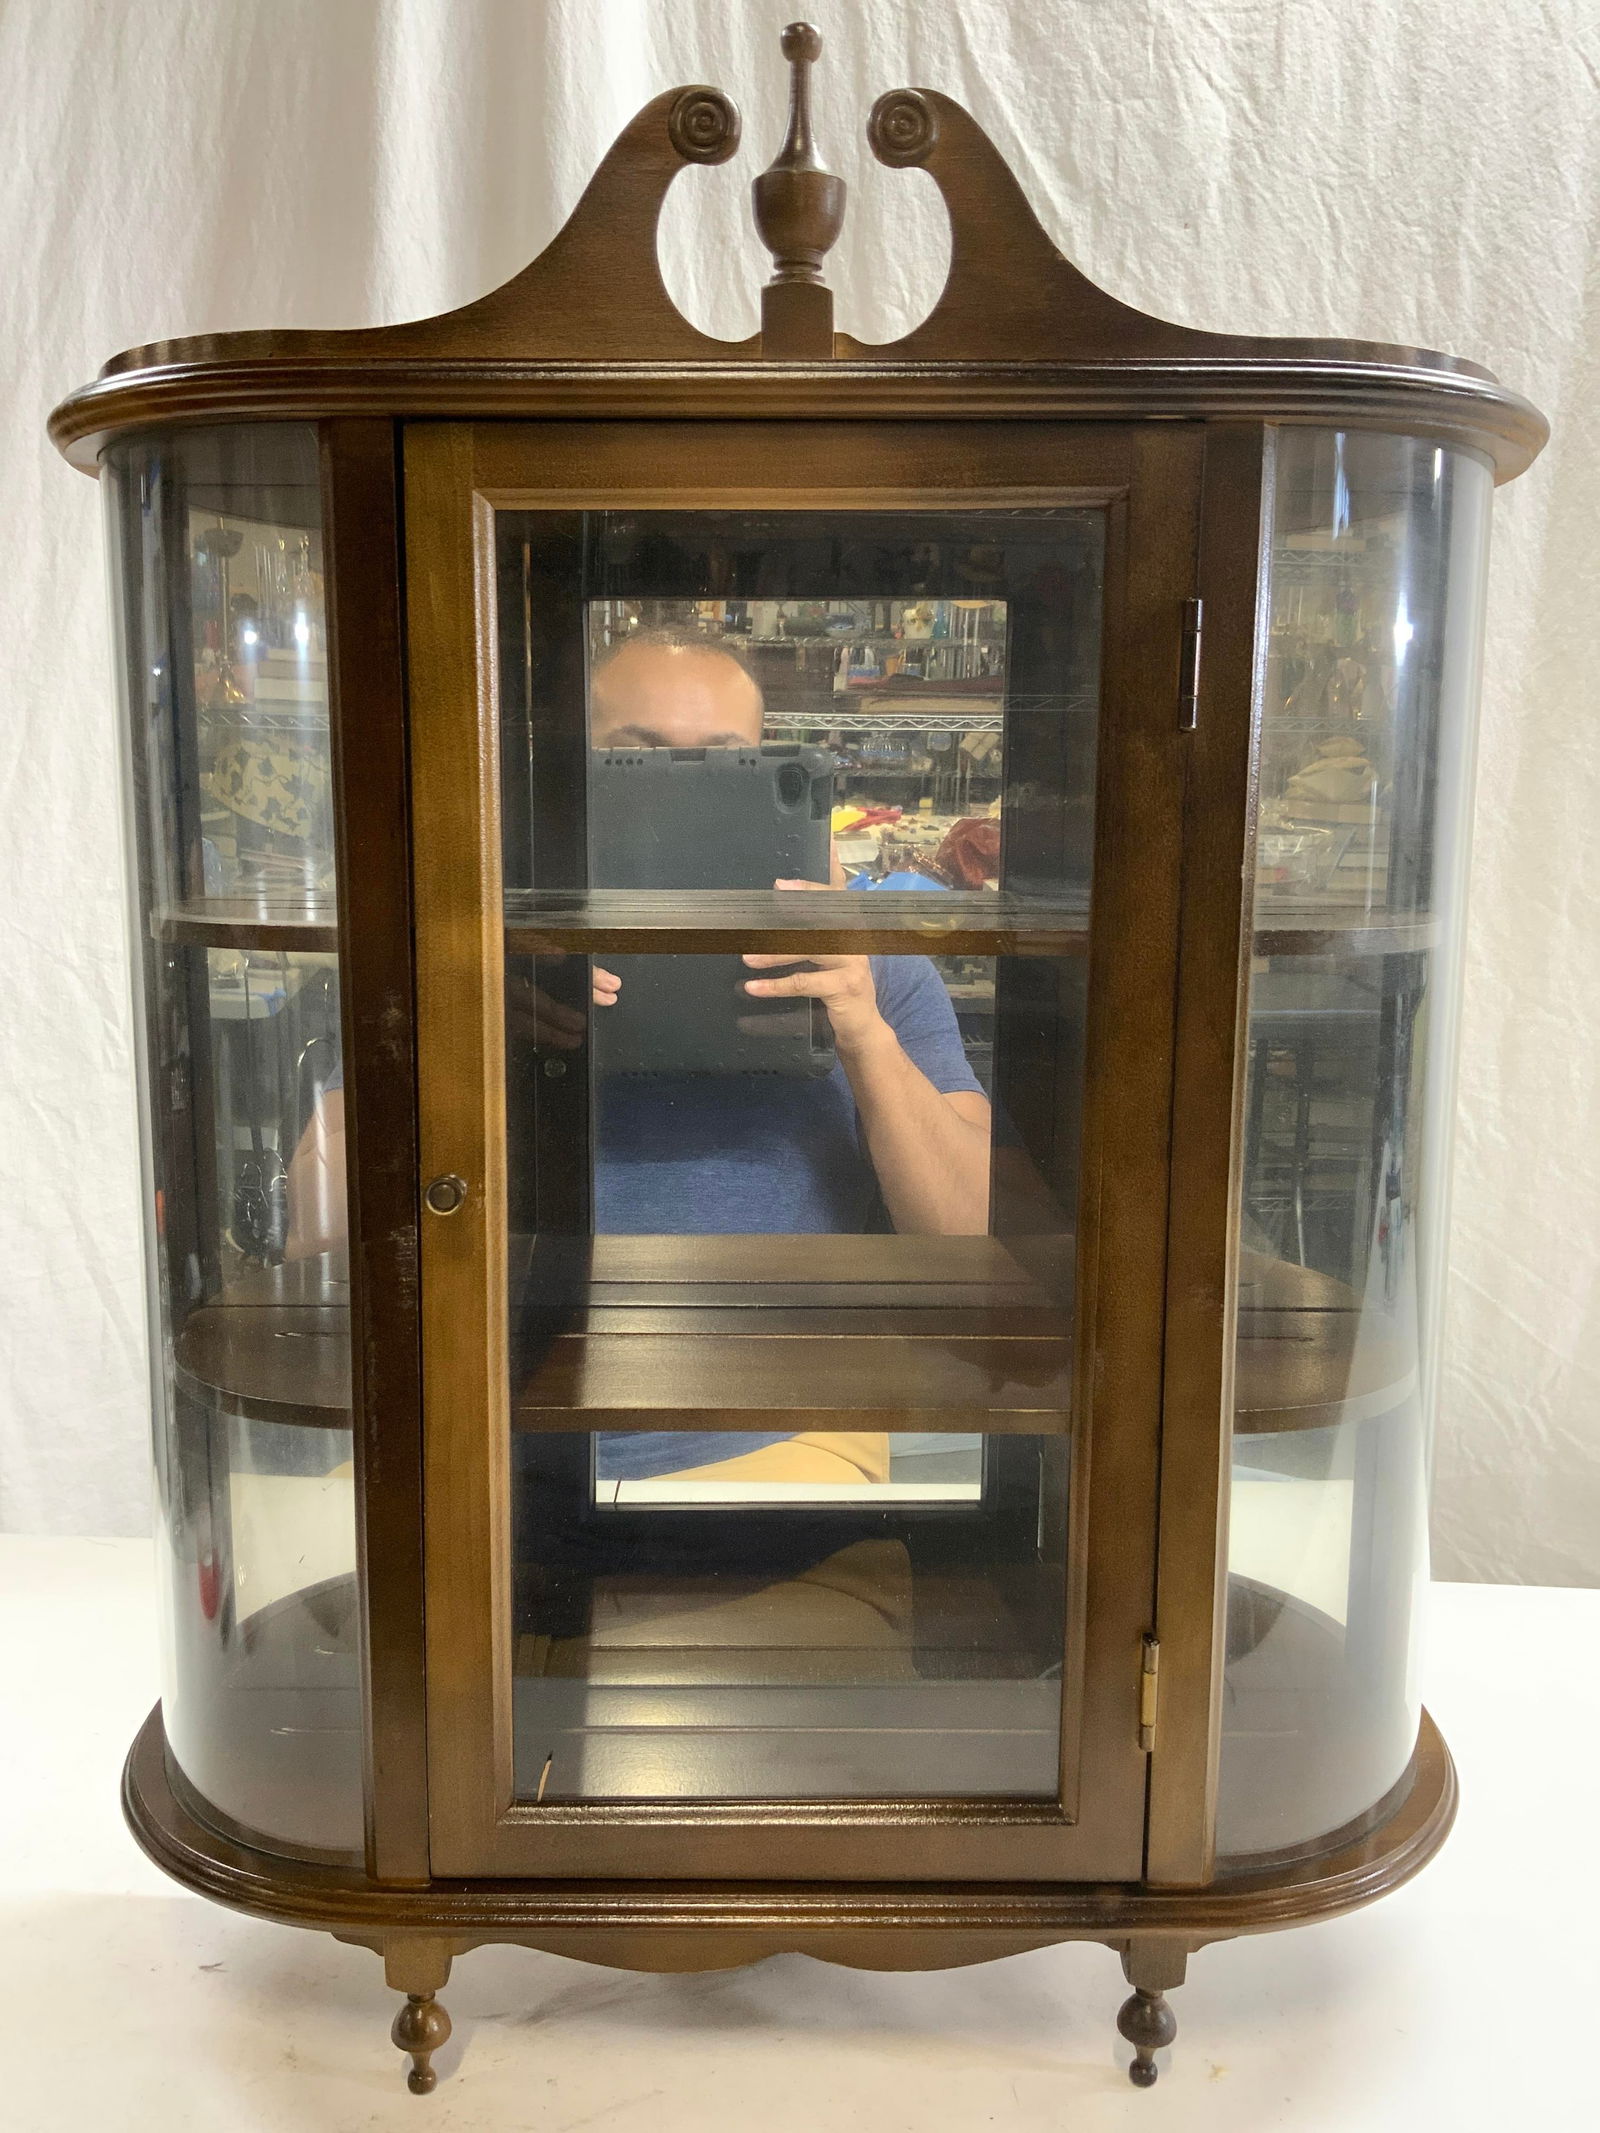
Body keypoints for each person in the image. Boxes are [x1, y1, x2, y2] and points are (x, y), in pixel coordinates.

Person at [285, 629, 993, 1487]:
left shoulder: (872, 964)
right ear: (567, 783)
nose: (680, 796)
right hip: (481, 1439)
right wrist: (463, 1031)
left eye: (724, 763)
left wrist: (865, 1034)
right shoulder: (473, 955)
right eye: (637, 761)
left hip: (780, 1441)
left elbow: (972, 1242)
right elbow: (316, 1244)